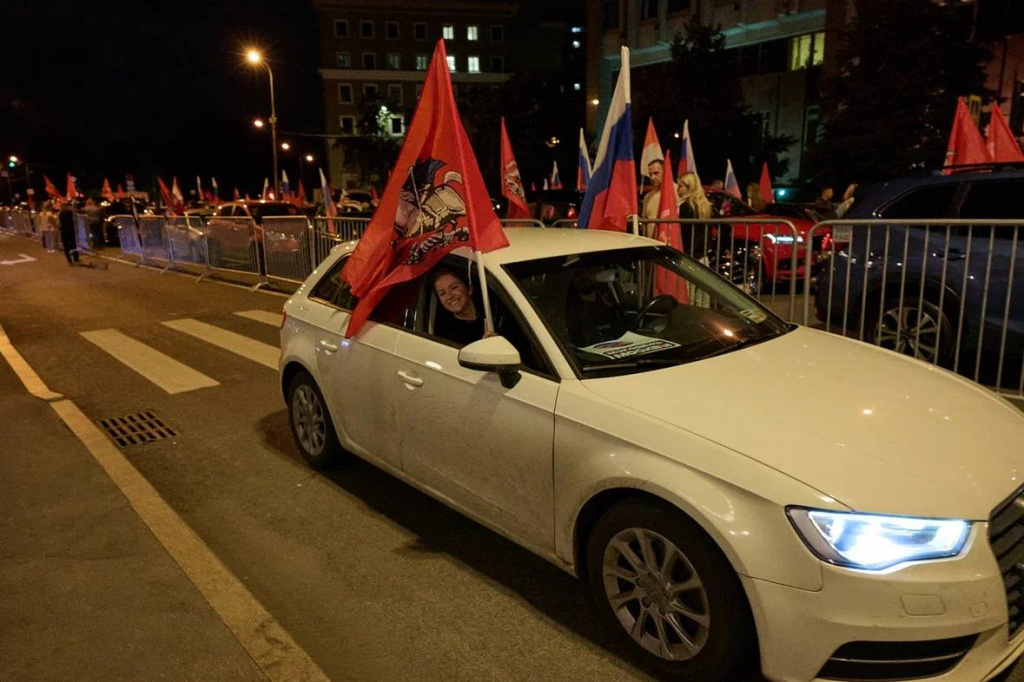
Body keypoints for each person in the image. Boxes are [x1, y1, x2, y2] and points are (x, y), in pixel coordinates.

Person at [431, 267, 486, 345]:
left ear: (469, 289)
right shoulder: (446, 336)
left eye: (454, 287)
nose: (450, 296)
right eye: (442, 293)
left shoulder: (491, 312)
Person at [58, 201, 78, 265]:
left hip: (64, 231)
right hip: (70, 230)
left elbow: (59, 223)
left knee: (66, 246)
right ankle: (75, 258)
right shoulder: (70, 213)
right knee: (73, 244)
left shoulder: (60, 214)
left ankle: (69, 259)